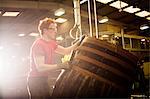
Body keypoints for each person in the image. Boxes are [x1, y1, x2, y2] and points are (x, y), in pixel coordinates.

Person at [27, 17, 80, 99]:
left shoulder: (51, 43)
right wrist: (61, 65)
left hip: (44, 79)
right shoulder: (38, 44)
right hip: (35, 81)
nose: (55, 31)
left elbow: (66, 51)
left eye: (56, 28)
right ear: (45, 30)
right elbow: (40, 68)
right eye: (52, 28)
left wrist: (79, 42)